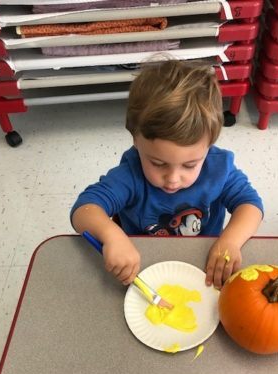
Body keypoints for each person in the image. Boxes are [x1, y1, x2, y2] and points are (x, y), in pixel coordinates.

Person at [71, 59, 263, 289]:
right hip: (142, 267)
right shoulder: (130, 174)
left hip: (203, 262)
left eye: (190, 165)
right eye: (158, 163)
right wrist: (112, 236)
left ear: (209, 146)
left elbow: (250, 204)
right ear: (135, 139)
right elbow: (83, 210)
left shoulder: (218, 167)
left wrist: (231, 241)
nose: (173, 178)